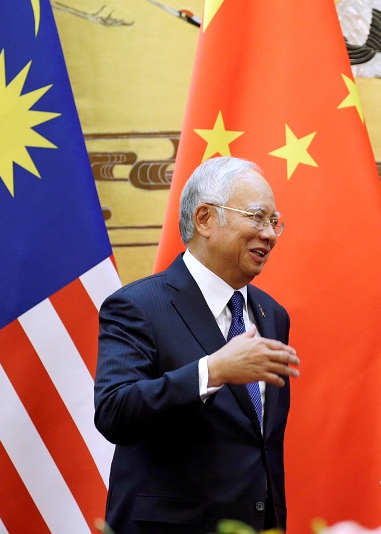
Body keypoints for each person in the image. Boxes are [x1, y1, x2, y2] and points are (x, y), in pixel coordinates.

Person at [94, 156, 300, 534]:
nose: (269, 234)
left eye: (274, 222)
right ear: (204, 219)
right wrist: (213, 371)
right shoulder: (138, 306)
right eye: (256, 217)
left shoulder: (273, 315)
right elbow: (114, 412)